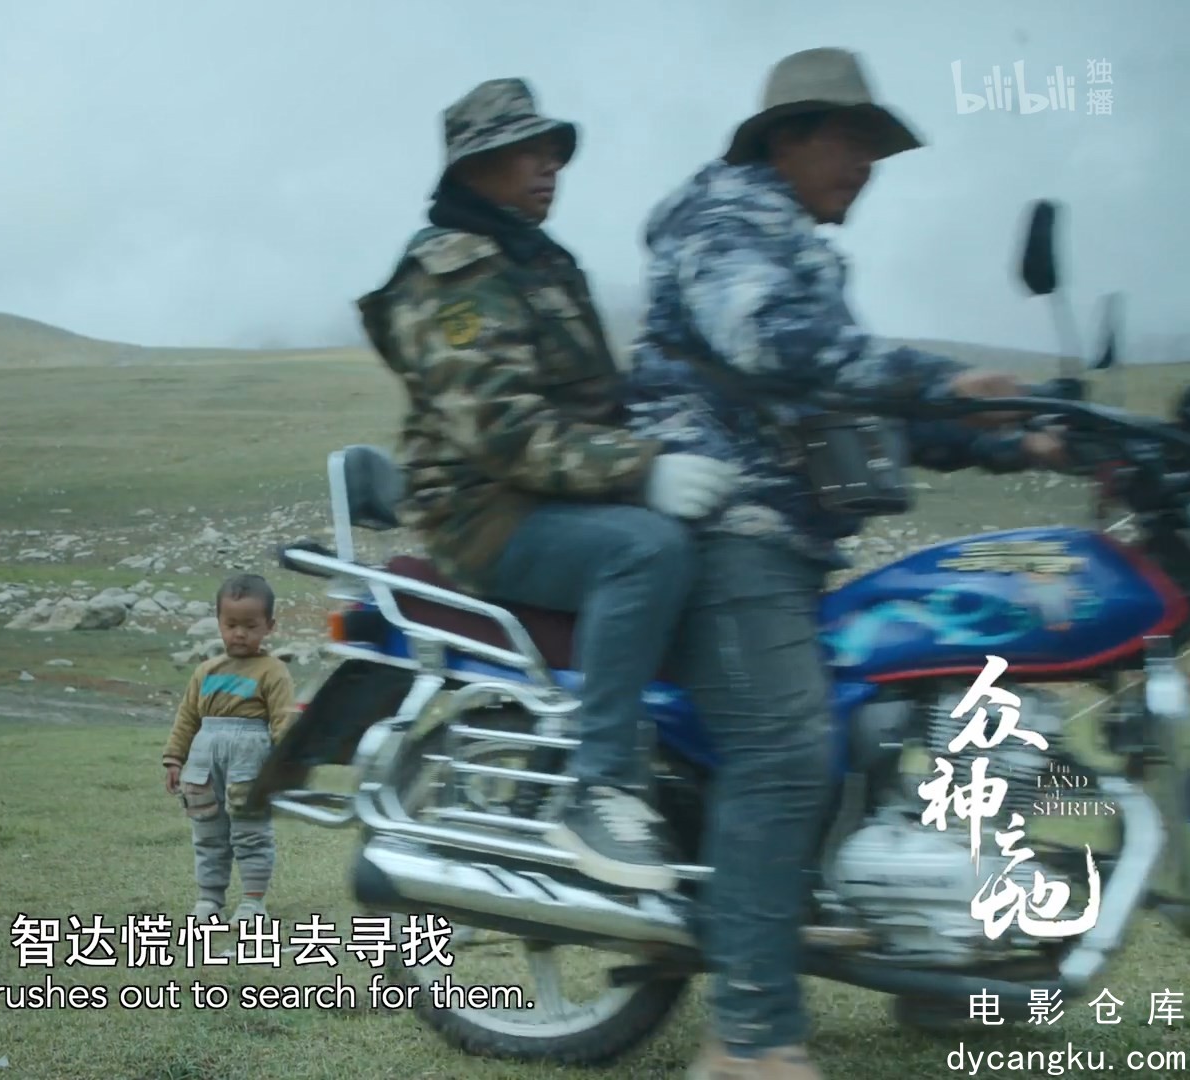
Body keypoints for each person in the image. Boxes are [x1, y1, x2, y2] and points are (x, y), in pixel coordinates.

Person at [620, 48, 1068, 1080]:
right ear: (788, 136)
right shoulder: (724, 221)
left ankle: (947, 963)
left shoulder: (797, 249)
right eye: (850, 140)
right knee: (785, 752)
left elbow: (856, 412)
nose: (865, 164)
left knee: (911, 718)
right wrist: (942, 380)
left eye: (875, 146)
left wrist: (1026, 440)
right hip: (729, 530)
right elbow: (775, 345)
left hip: (789, 537)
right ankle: (747, 1040)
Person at [354, 77, 741, 894]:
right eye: (524, 152)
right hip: (483, 512)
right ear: (474, 167)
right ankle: (600, 788)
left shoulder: (538, 261)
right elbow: (501, 428)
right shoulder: (452, 274)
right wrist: (642, 470)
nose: (548, 166)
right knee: (645, 551)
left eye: (552, 151)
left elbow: (597, 402)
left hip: (559, 499)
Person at [161, 573, 297, 928]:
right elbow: (187, 718)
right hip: (203, 763)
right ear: (219, 622)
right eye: (231, 624)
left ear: (269, 626)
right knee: (207, 833)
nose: (239, 634)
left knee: (251, 832)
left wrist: (285, 764)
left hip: (250, 761)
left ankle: (252, 902)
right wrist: (174, 759)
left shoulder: (273, 671)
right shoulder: (205, 671)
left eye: (250, 626)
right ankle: (209, 900)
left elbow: (283, 720)